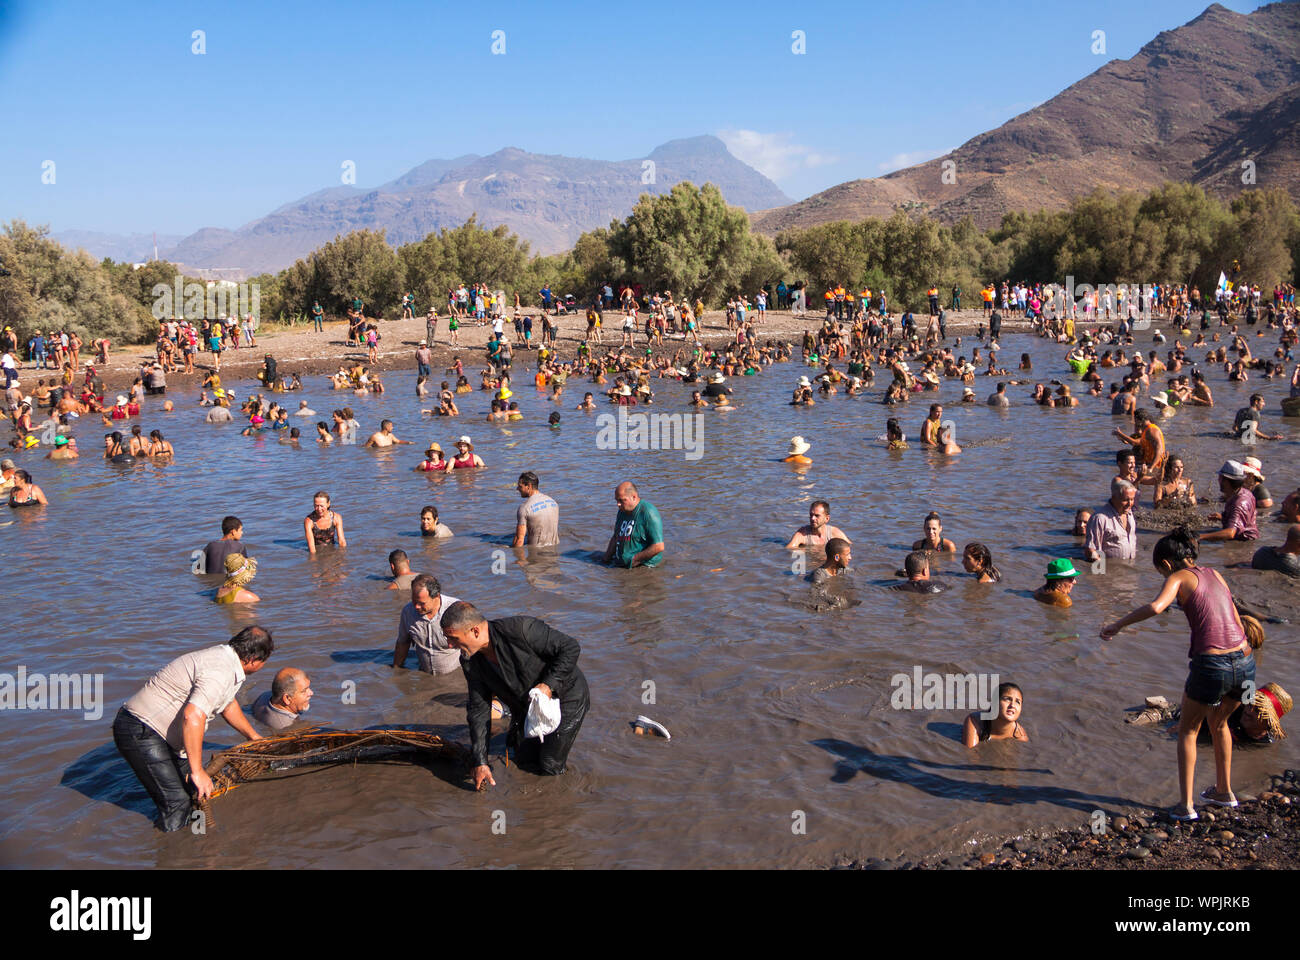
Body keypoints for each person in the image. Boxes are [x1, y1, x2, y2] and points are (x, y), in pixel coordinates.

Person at [1101, 526, 1255, 820]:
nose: (1163, 577)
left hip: (1212, 665)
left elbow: (1157, 607)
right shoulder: (1216, 574)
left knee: (1188, 730)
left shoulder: (1178, 577)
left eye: (1161, 571)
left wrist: (1118, 625)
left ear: (1168, 565)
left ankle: (1185, 807)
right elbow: (1235, 617)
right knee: (1220, 722)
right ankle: (1224, 792)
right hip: (1245, 663)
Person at [112, 626, 273, 831]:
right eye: (265, 660)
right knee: (177, 803)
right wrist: (197, 771)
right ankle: (174, 853)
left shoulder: (226, 659)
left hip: (160, 734)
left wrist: (253, 736)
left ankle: (198, 840)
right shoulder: (220, 670)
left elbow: (227, 703)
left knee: (195, 793)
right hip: (141, 729)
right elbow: (193, 715)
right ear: (253, 660)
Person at [441, 600, 590, 784]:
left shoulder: (521, 630)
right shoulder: (470, 662)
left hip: (567, 696)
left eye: (453, 638)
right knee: (523, 759)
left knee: (549, 763)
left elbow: (570, 647)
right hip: (526, 706)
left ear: (475, 631)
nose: (449, 645)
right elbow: (479, 711)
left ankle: (558, 800)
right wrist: (480, 760)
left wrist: (548, 684)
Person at [393, 574, 462, 674]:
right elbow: (403, 642)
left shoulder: (456, 609)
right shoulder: (408, 612)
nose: (416, 607)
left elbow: (470, 645)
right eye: (414, 601)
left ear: (436, 596)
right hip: (424, 675)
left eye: (422, 603)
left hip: (455, 675)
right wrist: (396, 670)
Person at [603, 480, 665, 568]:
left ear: (634, 497)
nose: (618, 504)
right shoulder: (622, 511)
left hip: (643, 566)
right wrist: (605, 559)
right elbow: (616, 537)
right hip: (624, 562)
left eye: (621, 500)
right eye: (616, 500)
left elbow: (658, 546)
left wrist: (634, 560)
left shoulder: (648, 512)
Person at [1201, 460, 1258, 543]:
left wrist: (1200, 537)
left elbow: (1230, 533)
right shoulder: (1242, 492)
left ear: (1226, 481)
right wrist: (1222, 517)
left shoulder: (1240, 502)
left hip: (1242, 543)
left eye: (1220, 478)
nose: (1218, 480)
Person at [1084, 479, 1138, 562]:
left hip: (1129, 569)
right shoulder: (1100, 518)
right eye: (1125, 500)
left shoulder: (1129, 514)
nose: (1129, 503)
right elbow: (1090, 550)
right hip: (1109, 571)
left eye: (1132, 499)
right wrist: (1102, 570)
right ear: (1114, 498)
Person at [962, 682, 1029, 747]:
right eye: (1007, 699)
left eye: (1017, 702)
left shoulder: (1019, 736)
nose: (1012, 705)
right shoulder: (975, 721)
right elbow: (970, 754)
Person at [513, 471, 559, 547]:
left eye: (520, 486)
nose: (517, 489)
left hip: (536, 553)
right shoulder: (553, 502)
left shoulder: (524, 508)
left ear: (528, 486)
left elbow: (519, 540)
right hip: (555, 551)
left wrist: (513, 556)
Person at [785, 500, 851, 550]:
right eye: (811, 515)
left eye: (817, 516)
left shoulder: (834, 533)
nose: (812, 518)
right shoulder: (802, 534)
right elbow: (788, 550)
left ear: (827, 518)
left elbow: (850, 547)